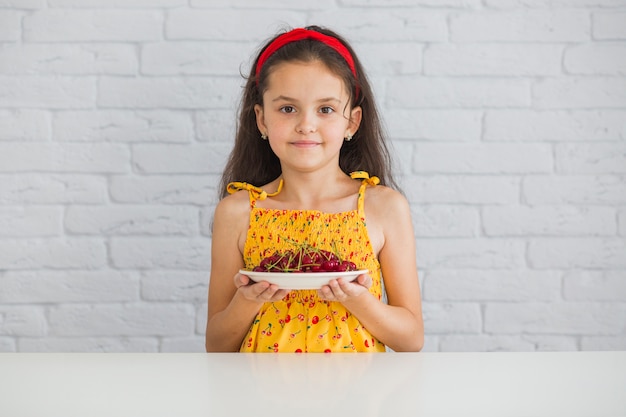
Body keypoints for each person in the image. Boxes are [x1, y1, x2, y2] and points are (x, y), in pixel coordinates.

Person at [205, 26, 423, 353]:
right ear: (261, 120)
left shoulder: (384, 207)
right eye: (287, 108)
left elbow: (411, 339)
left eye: (326, 109)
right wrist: (247, 300)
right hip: (259, 398)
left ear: (352, 121)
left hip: (358, 397)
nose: (306, 124)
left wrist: (359, 301)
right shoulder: (237, 211)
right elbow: (217, 345)